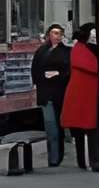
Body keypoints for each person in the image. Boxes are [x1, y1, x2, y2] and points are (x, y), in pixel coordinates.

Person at [59, 23, 99, 173]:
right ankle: (91, 161)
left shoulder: (79, 49)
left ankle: (85, 161)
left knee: (85, 132)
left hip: (83, 96)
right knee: (91, 131)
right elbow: (94, 67)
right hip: (86, 96)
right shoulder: (83, 50)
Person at [31, 24, 72, 166]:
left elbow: (69, 71)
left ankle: (58, 155)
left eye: (60, 33)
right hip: (45, 93)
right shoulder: (41, 51)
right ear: (49, 34)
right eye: (55, 33)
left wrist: (58, 74)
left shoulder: (67, 52)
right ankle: (53, 158)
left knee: (59, 126)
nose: (58, 36)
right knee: (50, 127)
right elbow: (35, 70)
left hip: (60, 92)